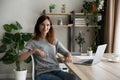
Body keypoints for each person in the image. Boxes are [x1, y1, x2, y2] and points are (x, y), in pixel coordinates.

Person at [18, 15, 77, 80]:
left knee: (73, 78)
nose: (45, 27)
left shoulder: (54, 40)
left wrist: (68, 55)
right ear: (38, 26)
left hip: (56, 70)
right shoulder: (32, 42)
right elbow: (19, 58)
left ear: (50, 26)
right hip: (42, 73)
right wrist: (34, 50)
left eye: (48, 25)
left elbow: (66, 52)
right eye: (42, 24)